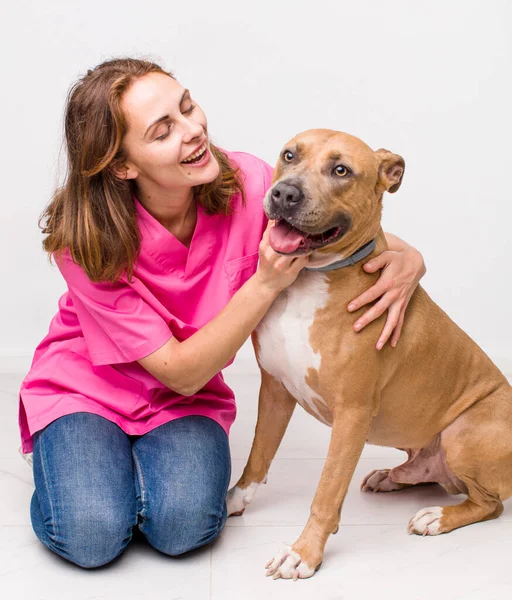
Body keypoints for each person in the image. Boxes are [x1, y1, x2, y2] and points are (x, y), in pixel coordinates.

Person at [19, 58, 426, 569]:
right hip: (89, 392)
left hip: (182, 403)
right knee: (92, 538)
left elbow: (335, 224)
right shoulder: (82, 242)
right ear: (123, 165)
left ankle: (113, 478)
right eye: (163, 130)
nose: (193, 131)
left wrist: (411, 260)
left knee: (184, 530)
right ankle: (74, 461)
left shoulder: (249, 182)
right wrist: (265, 282)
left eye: (187, 106)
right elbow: (183, 370)